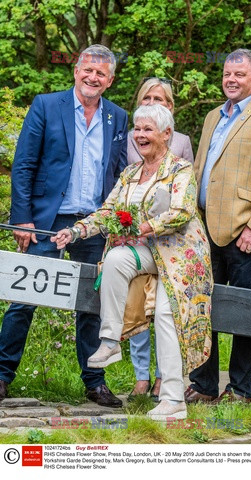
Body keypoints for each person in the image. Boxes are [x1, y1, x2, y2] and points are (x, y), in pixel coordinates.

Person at [52, 104, 213, 420]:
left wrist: (141, 227)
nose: (140, 135)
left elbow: (182, 212)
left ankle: (172, 401)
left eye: (148, 129)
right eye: (137, 129)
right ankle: (110, 340)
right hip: (145, 252)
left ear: (166, 134)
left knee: (167, 315)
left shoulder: (179, 169)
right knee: (114, 258)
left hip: (180, 256)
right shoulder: (129, 174)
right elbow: (109, 212)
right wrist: (75, 231)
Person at [0, 44, 128, 407]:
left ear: (110, 80)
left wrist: (116, 222)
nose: (92, 77)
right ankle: (1, 375)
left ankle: (94, 382)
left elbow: (118, 173)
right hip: (45, 222)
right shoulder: (46, 105)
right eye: (87, 70)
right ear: (76, 70)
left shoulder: (116, 117)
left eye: (101, 73)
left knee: (91, 306)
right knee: (23, 300)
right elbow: (24, 165)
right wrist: (21, 219)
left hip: (92, 226)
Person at [185, 48, 251, 405]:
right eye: (227, 74)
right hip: (203, 231)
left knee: (247, 316)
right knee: (202, 310)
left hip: (243, 233)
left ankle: (240, 390)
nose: (231, 80)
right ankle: (203, 385)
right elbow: (201, 171)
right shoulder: (212, 116)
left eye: (240, 75)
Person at [128, 77, 194, 401]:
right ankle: (140, 375)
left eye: (161, 98)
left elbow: (187, 194)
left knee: (165, 308)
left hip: (166, 238)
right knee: (137, 303)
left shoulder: (180, 141)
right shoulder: (131, 136)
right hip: (131, 235)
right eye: (148, 97)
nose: (154, 102)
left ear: (170, 104)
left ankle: (163, 377)